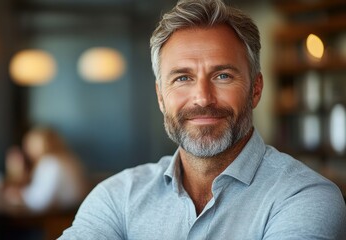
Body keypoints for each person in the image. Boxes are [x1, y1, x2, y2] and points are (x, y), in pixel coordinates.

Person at [60, 0, 346, 239]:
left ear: (255, 89)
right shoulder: (118, 197)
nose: (203, 98)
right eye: (183, 78)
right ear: (161, 97)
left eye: (223, 76)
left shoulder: (305, 198)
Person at [5, 127, 86, 213]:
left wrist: (20, 195)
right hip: (71, 213)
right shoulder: (69, 159)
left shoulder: (50, 163)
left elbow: (41, 202)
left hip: (57, 218)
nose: (27, 149)